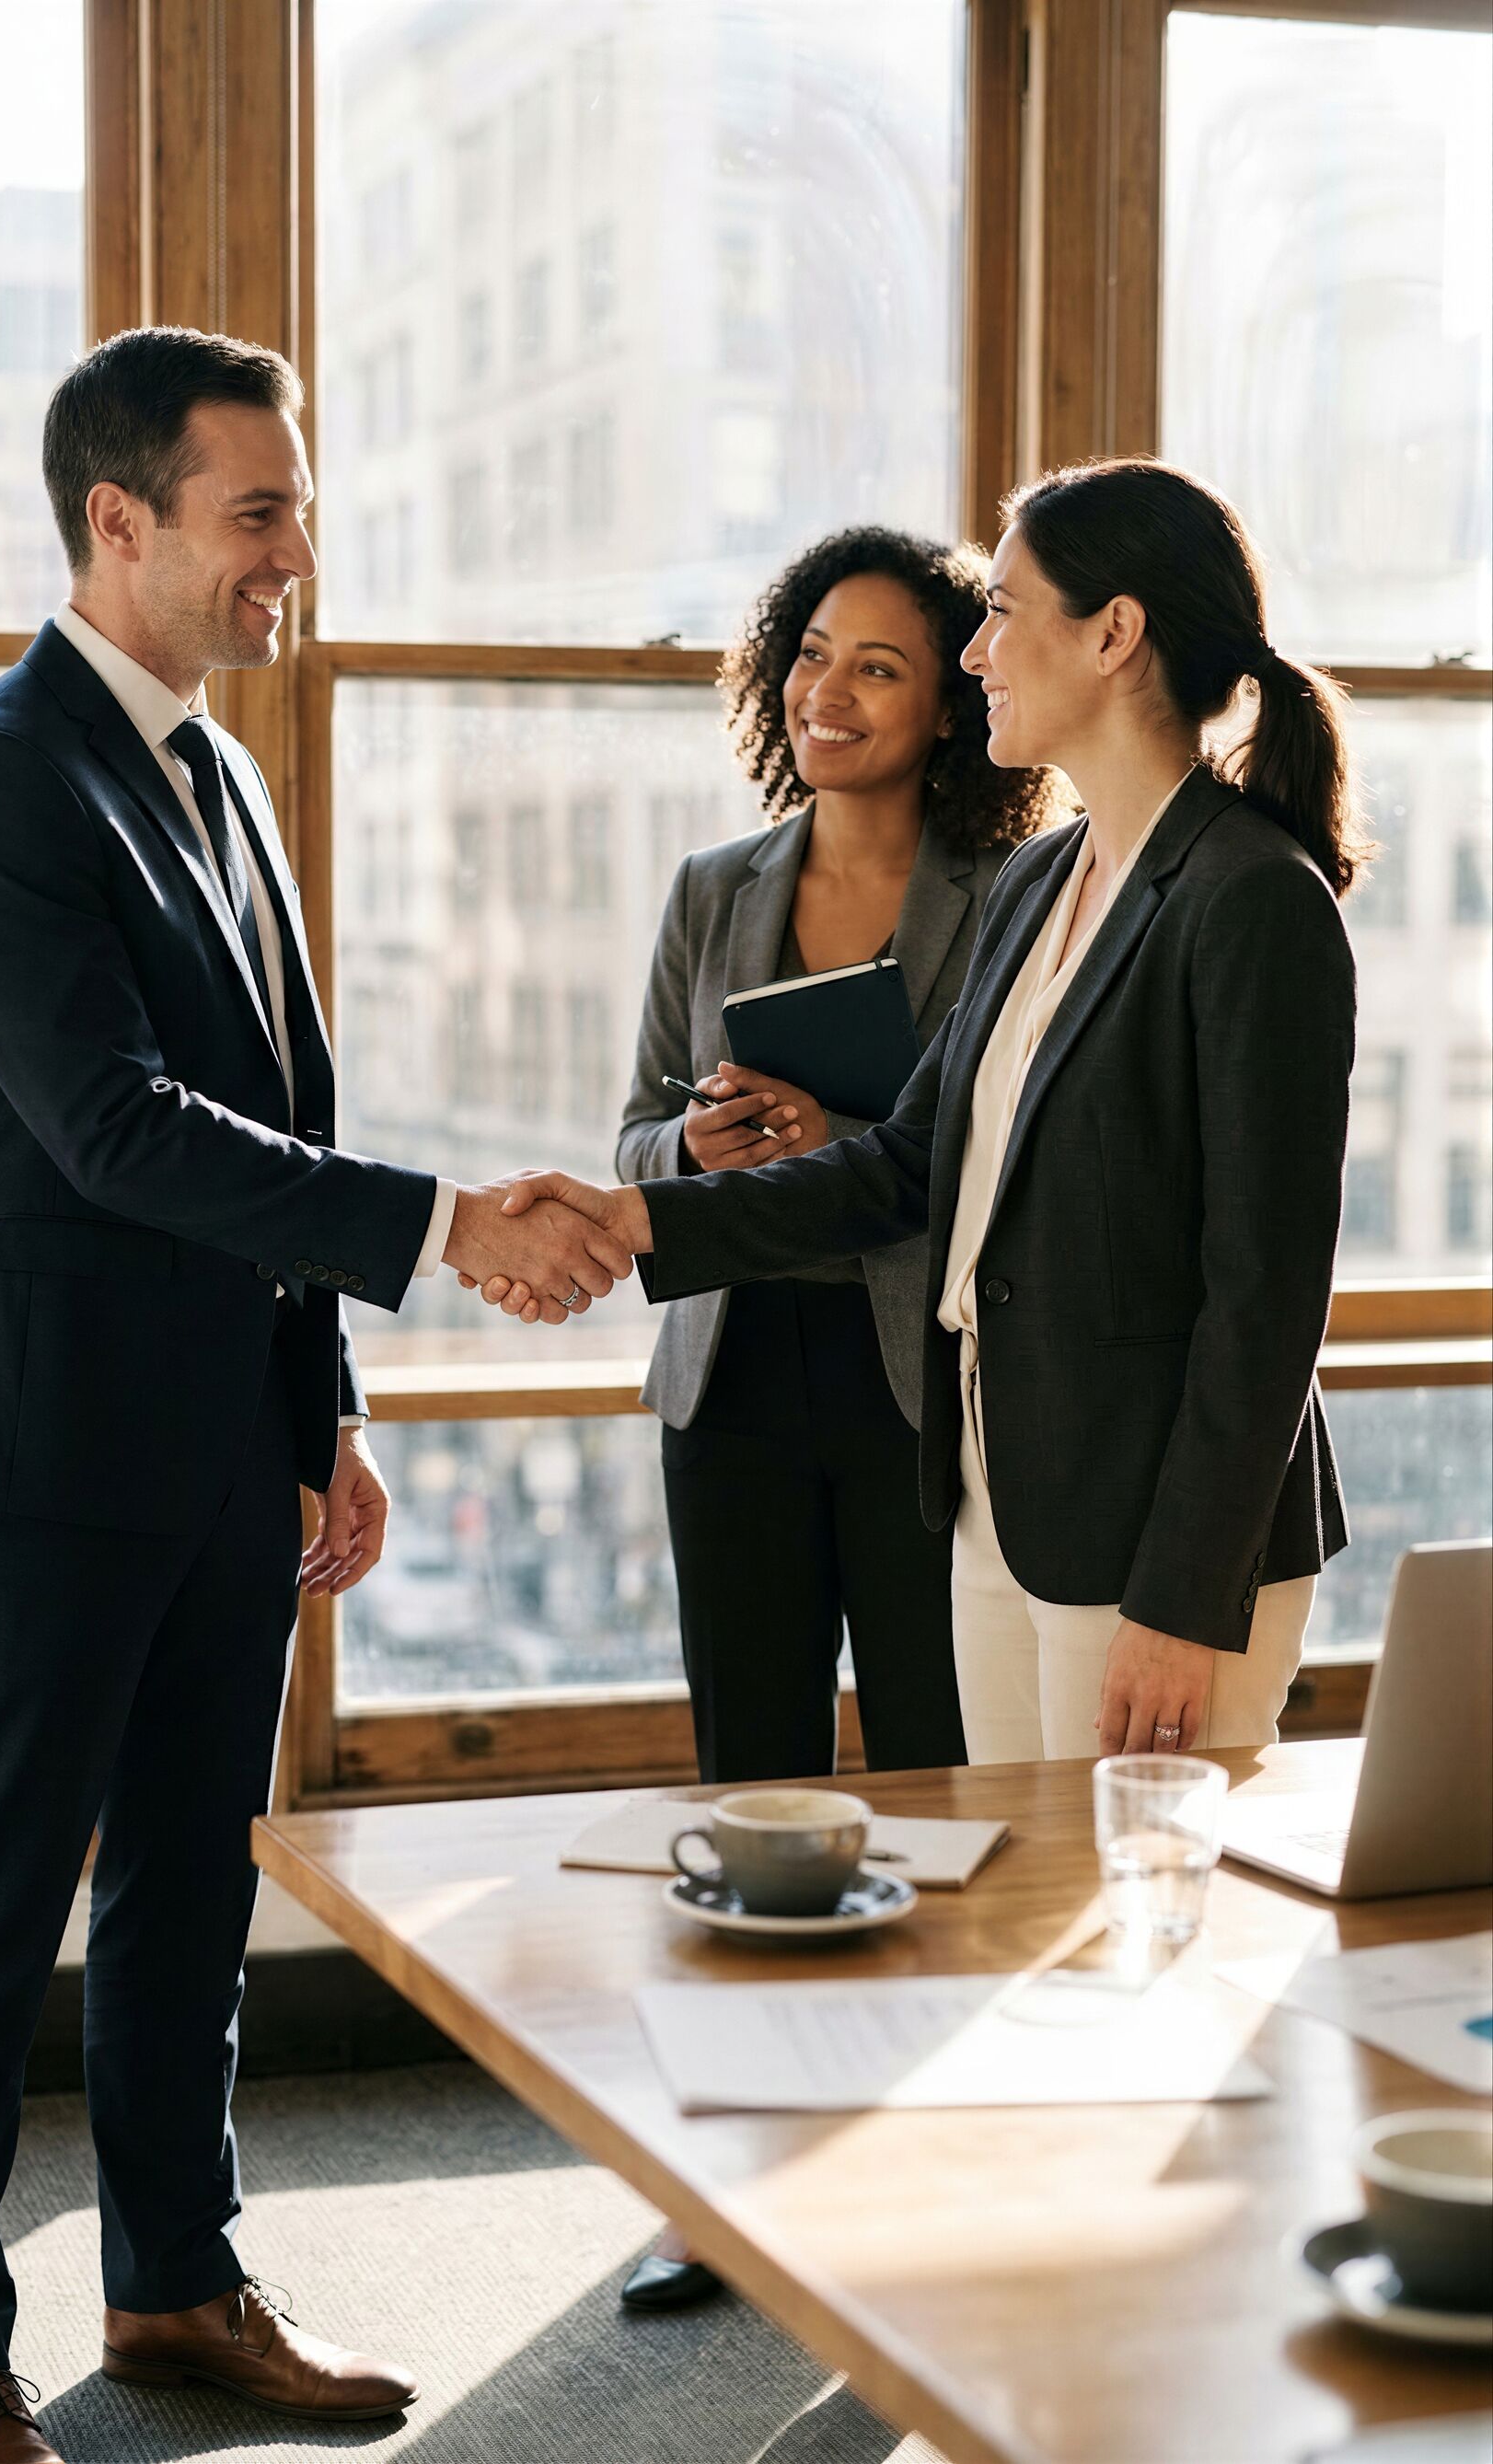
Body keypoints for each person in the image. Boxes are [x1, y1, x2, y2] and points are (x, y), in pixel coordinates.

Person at [0, 325, 631, 2464]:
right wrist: (450, 1221)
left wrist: (327, 1402)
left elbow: (280, 1105)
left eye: (297, 503)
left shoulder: (225, 767)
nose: (297, 550)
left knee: (195, 1890)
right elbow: (115, 1133)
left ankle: (175, 2288)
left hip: (226, 1441)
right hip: (45, 1442)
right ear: (117, 523)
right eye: (258, 511)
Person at [482, 457, 1362, 1778]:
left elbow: (1268, 1298)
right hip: (998, 1513)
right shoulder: (1051, 878)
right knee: (1006, 1936)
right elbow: (906, 1161)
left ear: (1114, 635)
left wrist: (1189, 1596)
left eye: (1003, 611)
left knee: (1137, 1950)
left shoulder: (1250, 898)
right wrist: (633, 1215)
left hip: (1152, 1547)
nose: (977, 648)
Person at [606, 528, 1065, 2318]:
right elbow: (636, 1120)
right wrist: (698, 1152)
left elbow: (992, 1163)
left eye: (876, 662)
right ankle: (731, 2181)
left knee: (948, 1785)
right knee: (754, 1787)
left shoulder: (1016, 891)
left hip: (912, 1385)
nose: (827, 689)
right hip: (731, 1383)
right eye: (807, 652)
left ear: (954, 696)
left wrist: (838, 1160)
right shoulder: (717, 884)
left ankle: (949, 2160)